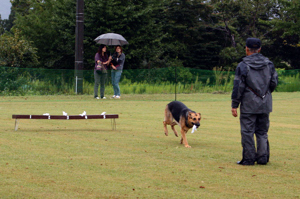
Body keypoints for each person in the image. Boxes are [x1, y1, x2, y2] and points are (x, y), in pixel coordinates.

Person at [231, 38, 278, 165]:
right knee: (262, 131)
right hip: (265, 102)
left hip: (248, 104)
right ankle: (263, 158)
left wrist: (235, 104)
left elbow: (238, 86)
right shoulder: (269, 64)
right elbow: (274, 83)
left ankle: (249, 158)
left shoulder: (243, 65)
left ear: (246, 48)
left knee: (247, 131)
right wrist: (266, 94)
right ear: (260, 49)